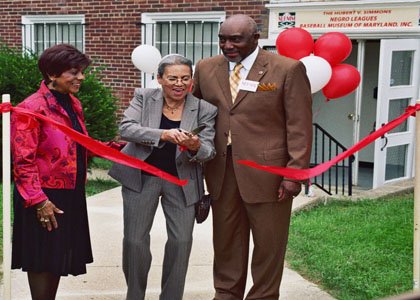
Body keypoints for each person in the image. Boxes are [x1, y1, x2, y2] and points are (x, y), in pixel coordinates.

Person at [193, 15, 313, 300]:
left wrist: (294, 173)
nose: (228, 45)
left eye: (236, 39)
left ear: (256, 38)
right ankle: (226, 293)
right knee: (225, 240)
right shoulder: (206, 68)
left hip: (269, 174)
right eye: (223, 39)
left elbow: (299, 126)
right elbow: (192, 111)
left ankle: (264, 295)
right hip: (221, 170)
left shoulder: (287, 69)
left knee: (268, 243)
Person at [108, 54, 217, 300]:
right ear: (159, 79)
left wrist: (195, 145)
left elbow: (209, 151)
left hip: (182, 181)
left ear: (192, 80)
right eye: (172, 78)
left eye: (185, 78)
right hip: (141, 177)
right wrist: (164, 135)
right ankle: (135, 294)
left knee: (181, 242)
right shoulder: (143, 98)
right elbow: (127, 128)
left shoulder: (204, 109)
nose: (179, 84)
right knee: (135, 241)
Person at [11, 44, 97, 300]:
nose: (81, 77)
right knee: (41, 259)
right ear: (52, 74)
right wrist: (39, 201)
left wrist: (125, 148)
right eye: (74, 72)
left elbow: (80, 145)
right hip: (42, 196)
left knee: (57, 258)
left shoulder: (74, 103)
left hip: (69, 192)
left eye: (81, 71)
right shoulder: (31, 108)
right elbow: (23, 162)